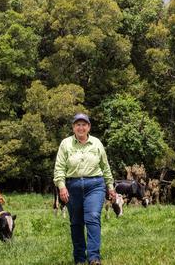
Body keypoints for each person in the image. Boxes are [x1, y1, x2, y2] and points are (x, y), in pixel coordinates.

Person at [53, 112, 116, 265]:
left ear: (89, 127)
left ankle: (94, 257)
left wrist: (110, 186)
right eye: (77, 125)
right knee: (76, 222)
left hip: (94, 185)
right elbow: (59, 168)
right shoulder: (65, 144)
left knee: (93, 217)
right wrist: (61, 186)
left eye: (84, 125)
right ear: (73, 127)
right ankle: (79, 258)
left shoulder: (97, 143)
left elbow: (105, 166)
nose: (81, 128)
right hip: (72, 186)